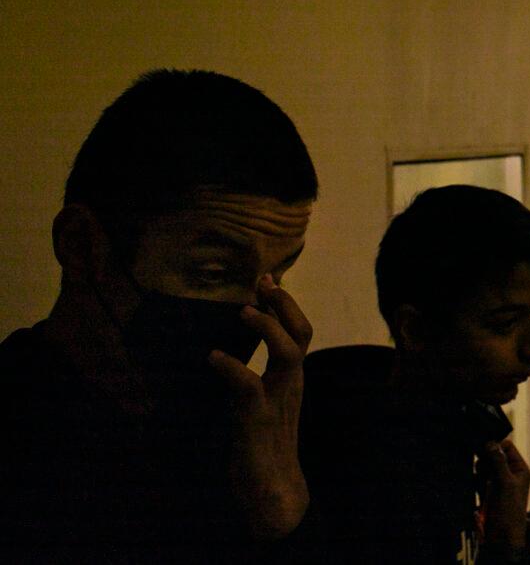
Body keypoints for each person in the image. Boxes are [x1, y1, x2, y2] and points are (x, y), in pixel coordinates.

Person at [0, 70, 320, 562]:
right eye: (213, 272)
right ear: (83, 247)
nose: (256, 312)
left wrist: (280, 510)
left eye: (276, 276)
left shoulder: (246, 438)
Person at [301, 185, 530, 563]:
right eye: (505, 323)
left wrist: (500, 531)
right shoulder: (366, 480)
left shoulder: (449, 419)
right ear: (415, 330)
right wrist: (506, 551)